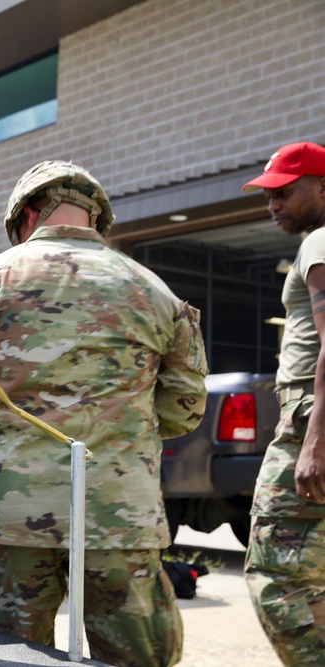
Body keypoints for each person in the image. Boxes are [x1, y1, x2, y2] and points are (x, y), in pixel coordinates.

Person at [0, 161, 208, 667]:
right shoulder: (151, 287)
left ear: (28, 214)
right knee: (137, 655)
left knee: (11, 654)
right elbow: (185, 406)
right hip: (120, 510)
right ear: (96, 215)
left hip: (13, 512)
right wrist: (122, 440)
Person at [242, 142, 325, 666]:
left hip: (311, 417)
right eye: (268, 194)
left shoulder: (319, 241)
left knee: (278, 576)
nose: (272, 204)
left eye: (284, 192)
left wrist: (314, 438)